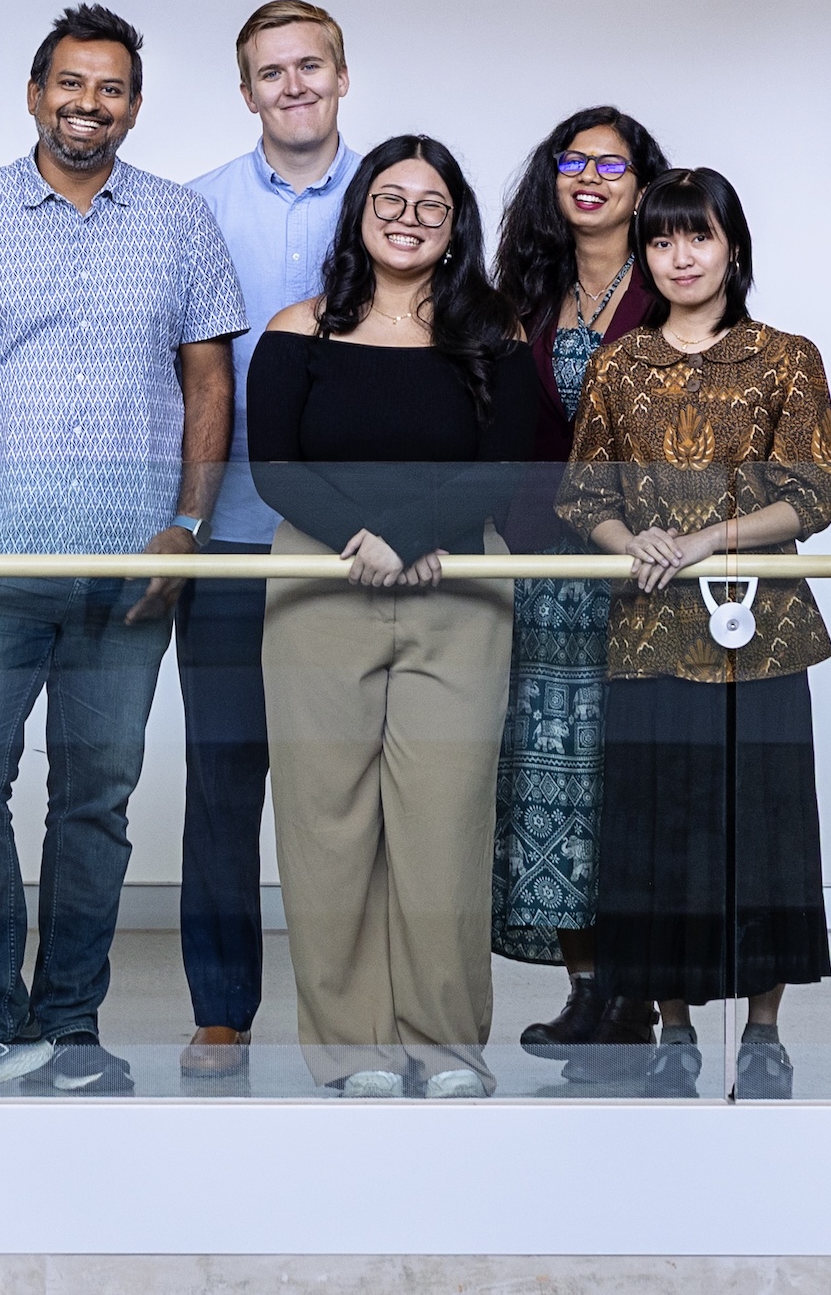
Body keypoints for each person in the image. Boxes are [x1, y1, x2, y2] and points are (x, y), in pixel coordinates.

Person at [0, 3, 246, 1099]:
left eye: (113, 88)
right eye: (72, 84)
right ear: (36, 93)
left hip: (128, 572)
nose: (91, 104)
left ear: (133, 105)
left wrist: (185, 528)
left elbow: (208, 384)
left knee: (95, 794)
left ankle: (72, 1023)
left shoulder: (181, 222)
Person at [250, 135, 539, 1100]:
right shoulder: (299, 329)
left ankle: (446, 1044)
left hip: (457, 585)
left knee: (445, 818)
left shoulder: (493, 333)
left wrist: (409, 536)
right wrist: (362, 539)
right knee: (325, 818)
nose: (409, 215)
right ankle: (351, 1048)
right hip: (318, 583)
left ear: (456, 224)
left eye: (432, 202)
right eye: (390, 196)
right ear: (359, 212)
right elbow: (275, 468)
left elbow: (508, 465)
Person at [555, 166, 831, 1101]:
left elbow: (812, 494)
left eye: (700, 236)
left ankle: (762, 1033)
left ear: (733, 249)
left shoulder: (786, 357)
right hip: (648, 635)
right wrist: (629, 539)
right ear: (646, 253)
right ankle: (673, 1029)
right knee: (658, 831)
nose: (682, 256)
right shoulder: (619, 364)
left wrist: (703, 540)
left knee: (763, 830)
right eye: (665, 239)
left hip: (763, 635)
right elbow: (584, 496)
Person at [176, 0, 360, 1081]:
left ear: (344, 76)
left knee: (347, 780)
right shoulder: (194, 208)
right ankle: (222, 1006)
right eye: (271, 71)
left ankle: (356, 1005)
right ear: (246, 90)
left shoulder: (400, 196)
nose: (292, 85)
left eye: (311, 66)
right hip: (235, 535)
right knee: (223, 775)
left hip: (355, 542)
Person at [487, 106, 672, 1068]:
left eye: (611, 163)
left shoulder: (676, 283)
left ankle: (648, 988)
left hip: (648, 575)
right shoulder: (523, 293)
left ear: (644, 183)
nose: (589, 176)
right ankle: (588, 990)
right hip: (540, 573)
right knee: (553, 785)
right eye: (573, 160)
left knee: (636, 782)